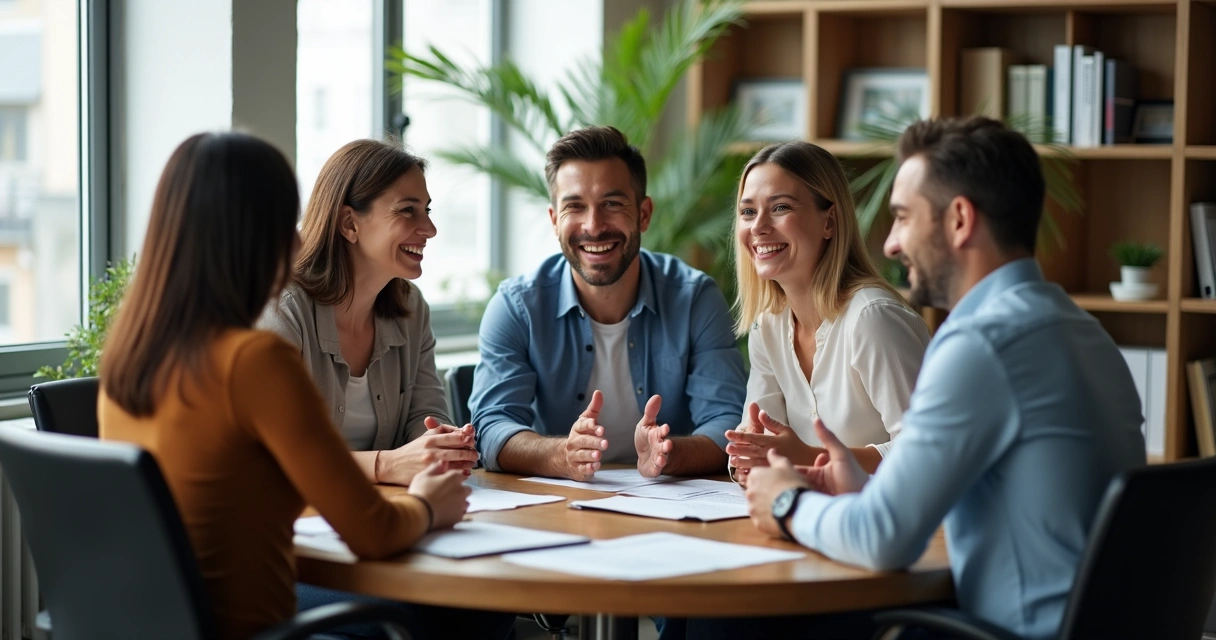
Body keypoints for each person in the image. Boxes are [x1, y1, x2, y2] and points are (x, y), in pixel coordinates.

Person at [742, 117, 1146, 640]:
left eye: (903, 217)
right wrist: (859, 484)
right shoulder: (1082, 331)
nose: (891, 244)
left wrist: (786, 502)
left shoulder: (980, 345)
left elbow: (883, 539)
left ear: (958, 220)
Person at [97, 132, 472, 640]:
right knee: (462, 615)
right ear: (243, 237)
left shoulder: (130, 359)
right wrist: (427, 502)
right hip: (258, 627)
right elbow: (374, 532)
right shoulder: (253, 360)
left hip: (163, 625)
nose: (298, 241)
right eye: (281, 223)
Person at [470, 125, 747, 480]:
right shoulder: (516, 307)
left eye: (612, 204)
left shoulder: (694, 299)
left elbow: (727, 422)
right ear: (554, 220)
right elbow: (492, 426)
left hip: (669, 496)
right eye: (575, 207)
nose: (594, 225)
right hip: (557, 501)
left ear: (644, 214)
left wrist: (668, 455)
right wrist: (561, 456)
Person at [259, 139, 479, 487]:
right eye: (408, 210)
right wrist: (386, 465)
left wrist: (441, 443)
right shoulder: (282, 311)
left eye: (427, 210)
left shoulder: (412, 308)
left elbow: (425, 414)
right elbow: (274, 455)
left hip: (383, 504)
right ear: (349, 224)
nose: (430, 229)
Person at [725, 141, 930, 486]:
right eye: (747, 212)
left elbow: (926, 453)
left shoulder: (873, 319)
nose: (758, 226)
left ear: (829, 222)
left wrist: (810, 457)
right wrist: (746, 458)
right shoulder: (768, 326)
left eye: (780, 207)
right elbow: (759, 438)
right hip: (808, 510)